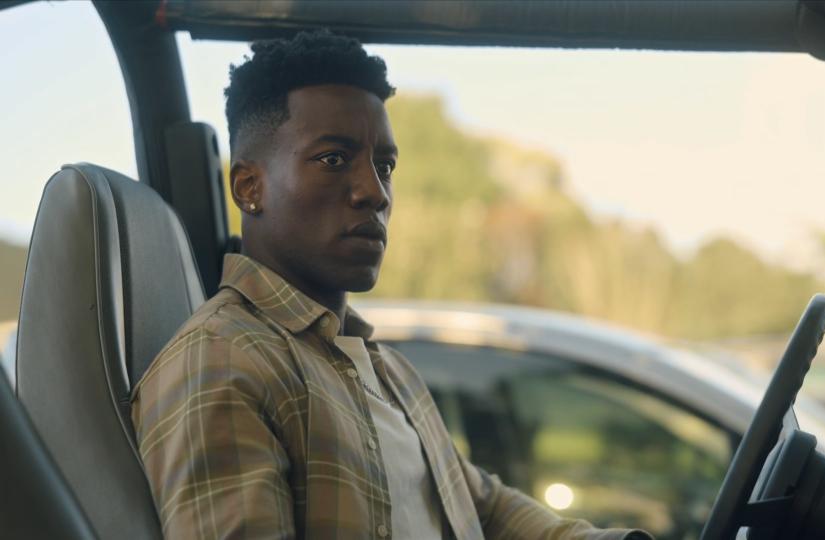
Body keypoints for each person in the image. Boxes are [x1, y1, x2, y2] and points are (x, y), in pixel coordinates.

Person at [131, 30, 652, 540]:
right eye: (334, 159)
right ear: (250, 187)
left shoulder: (386, 369)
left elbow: (481, 508)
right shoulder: (223, 362)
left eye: (385, 166)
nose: (374, 192)